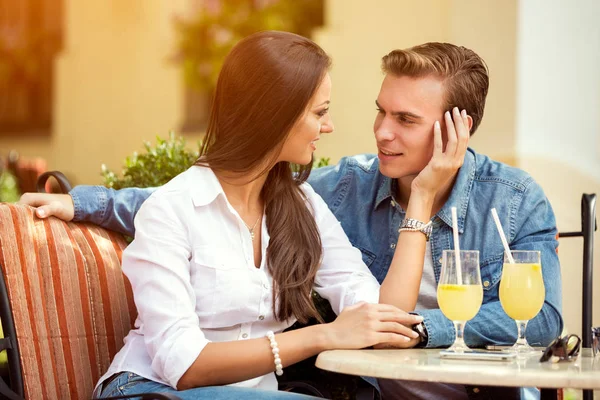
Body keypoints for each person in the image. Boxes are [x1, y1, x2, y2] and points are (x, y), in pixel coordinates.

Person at [21, 41, 561, 400]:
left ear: (455, 129)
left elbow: (380, 317)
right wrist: (82, 202)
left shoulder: (301, 205)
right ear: (275, 116)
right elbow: (187, 203)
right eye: (322, 113)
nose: (374, 133)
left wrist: (419, 206)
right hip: (157, 389)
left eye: (405, 119)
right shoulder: (339, 186)